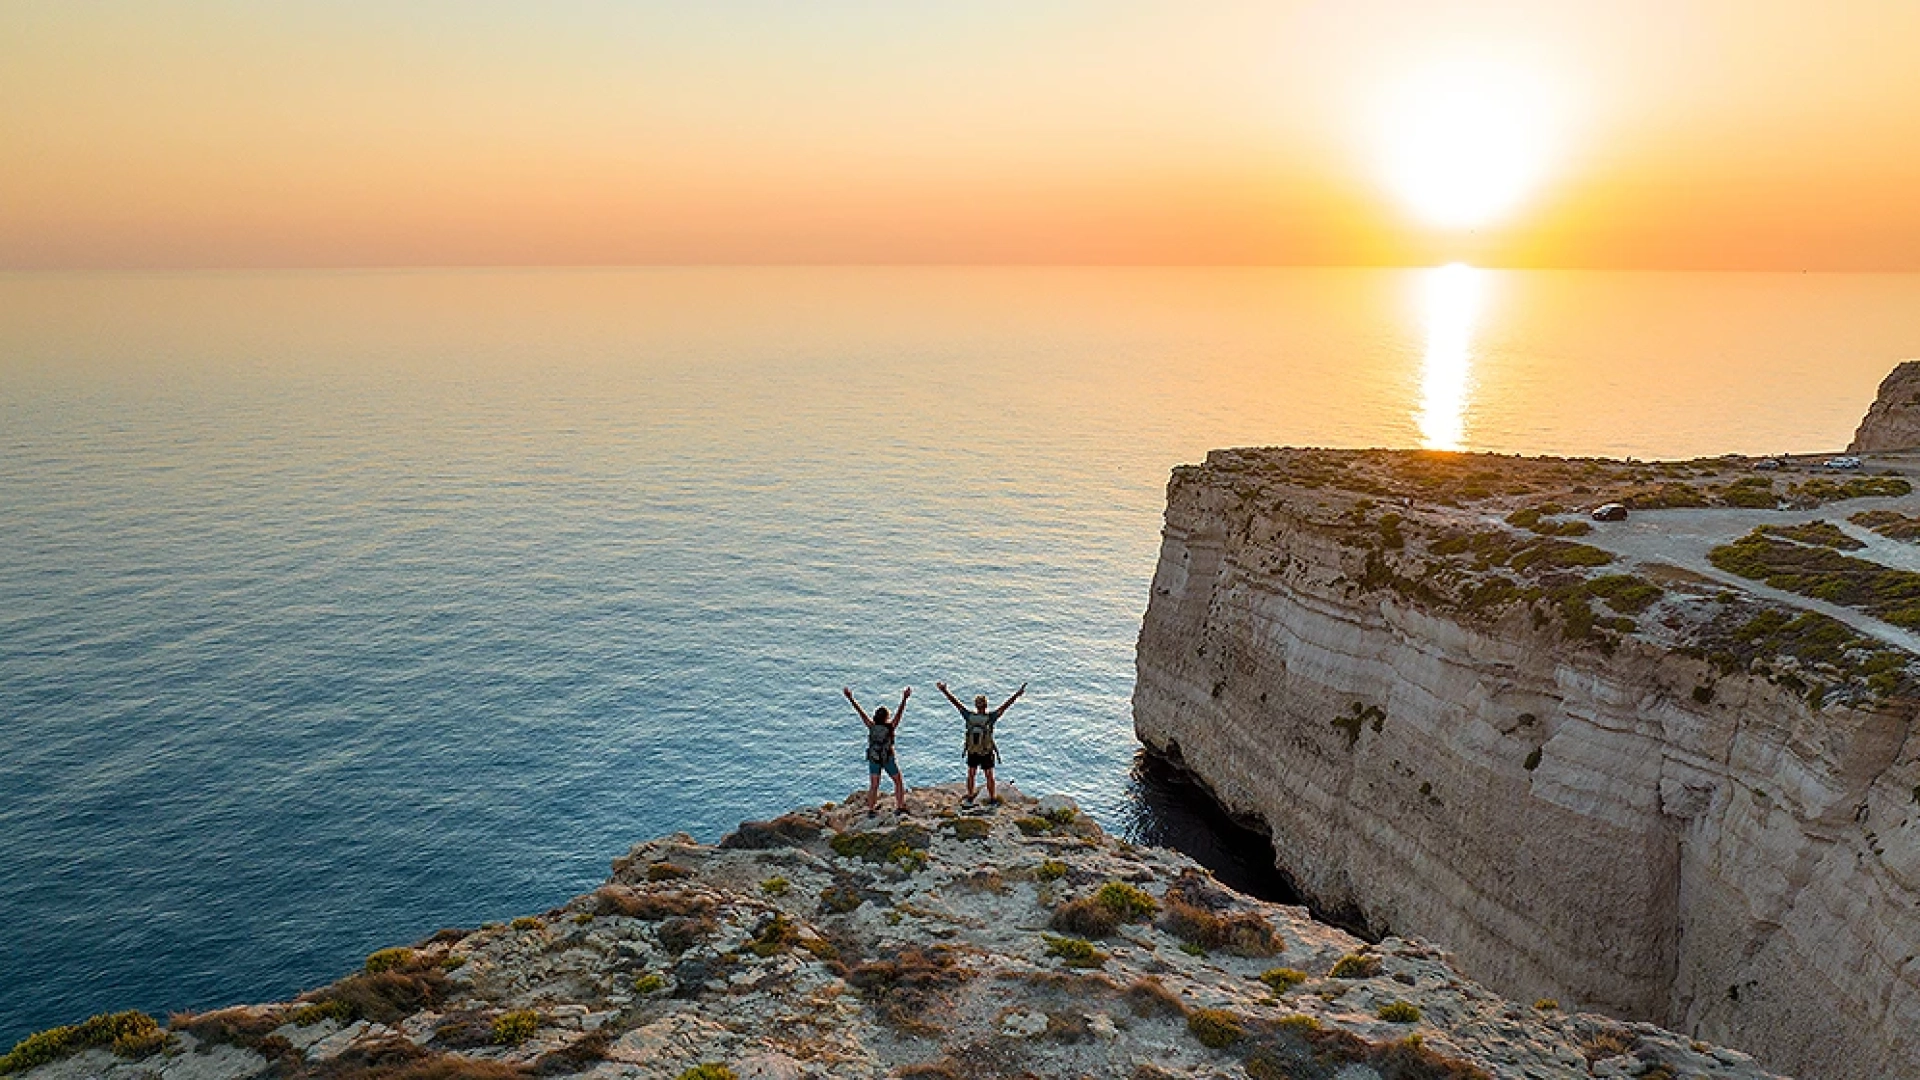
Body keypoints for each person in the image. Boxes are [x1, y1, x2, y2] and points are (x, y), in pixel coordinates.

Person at [936, 680, 1024, 805]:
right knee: (989, 775)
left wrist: (944, 690)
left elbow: (956, 704)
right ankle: (993, 798)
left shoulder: (969, 716)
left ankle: (970, 796)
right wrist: (1017, 694)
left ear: (976, 706)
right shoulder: (990, 718)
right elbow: (1005, 706)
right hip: (986, 751)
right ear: (985, 706)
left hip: (973, 750)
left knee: (971, 773)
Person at [844, 685, 910, 817]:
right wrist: (904, 699)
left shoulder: (871, 726)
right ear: (886, 717)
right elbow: (899, 713)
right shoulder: (890, 727)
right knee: (897, 781)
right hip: (887, 758)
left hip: (874, 758)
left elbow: (860, 712)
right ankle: (900, 806)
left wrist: (851, 698)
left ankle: (871, 810)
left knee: (874, 785)